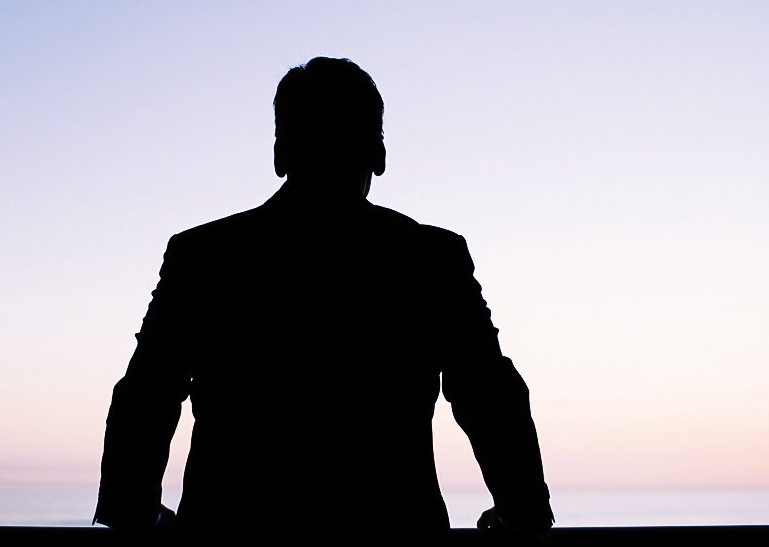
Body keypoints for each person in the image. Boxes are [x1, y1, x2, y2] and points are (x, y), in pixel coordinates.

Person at [94, 57, 553, 541]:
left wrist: (133, 513)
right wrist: (522, 512)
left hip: (229, 539)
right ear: (379, 154)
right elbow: (489, 394)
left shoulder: (203, 256)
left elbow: (147, 394)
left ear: (279, 155)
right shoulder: (431, 258)